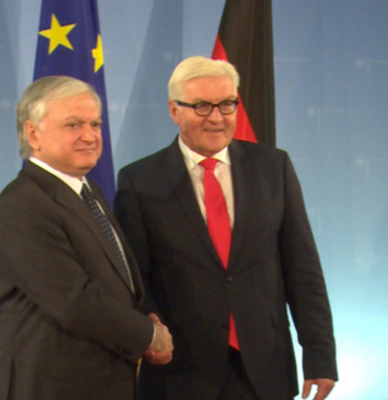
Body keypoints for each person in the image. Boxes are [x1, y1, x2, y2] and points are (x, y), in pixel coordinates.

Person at [114, 56, 338, 400]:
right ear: (175, 111)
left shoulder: (273, 167)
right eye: (202, 106)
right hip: (181, 373)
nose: (216, 117)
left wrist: (320, 355)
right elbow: (136, 280)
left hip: (265, 369)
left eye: (227, 104)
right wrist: (151, 333)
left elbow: (302, 267)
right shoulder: (139, 181)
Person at [0, 75, 173, 400]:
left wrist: (142, 315)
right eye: (73, 125)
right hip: (47, 387)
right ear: (33, 133)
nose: (90, 136)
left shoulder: (86, 191)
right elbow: (75, 301)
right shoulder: (22, 203)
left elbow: (111, 281)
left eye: (95, 124)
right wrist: (147, 335)